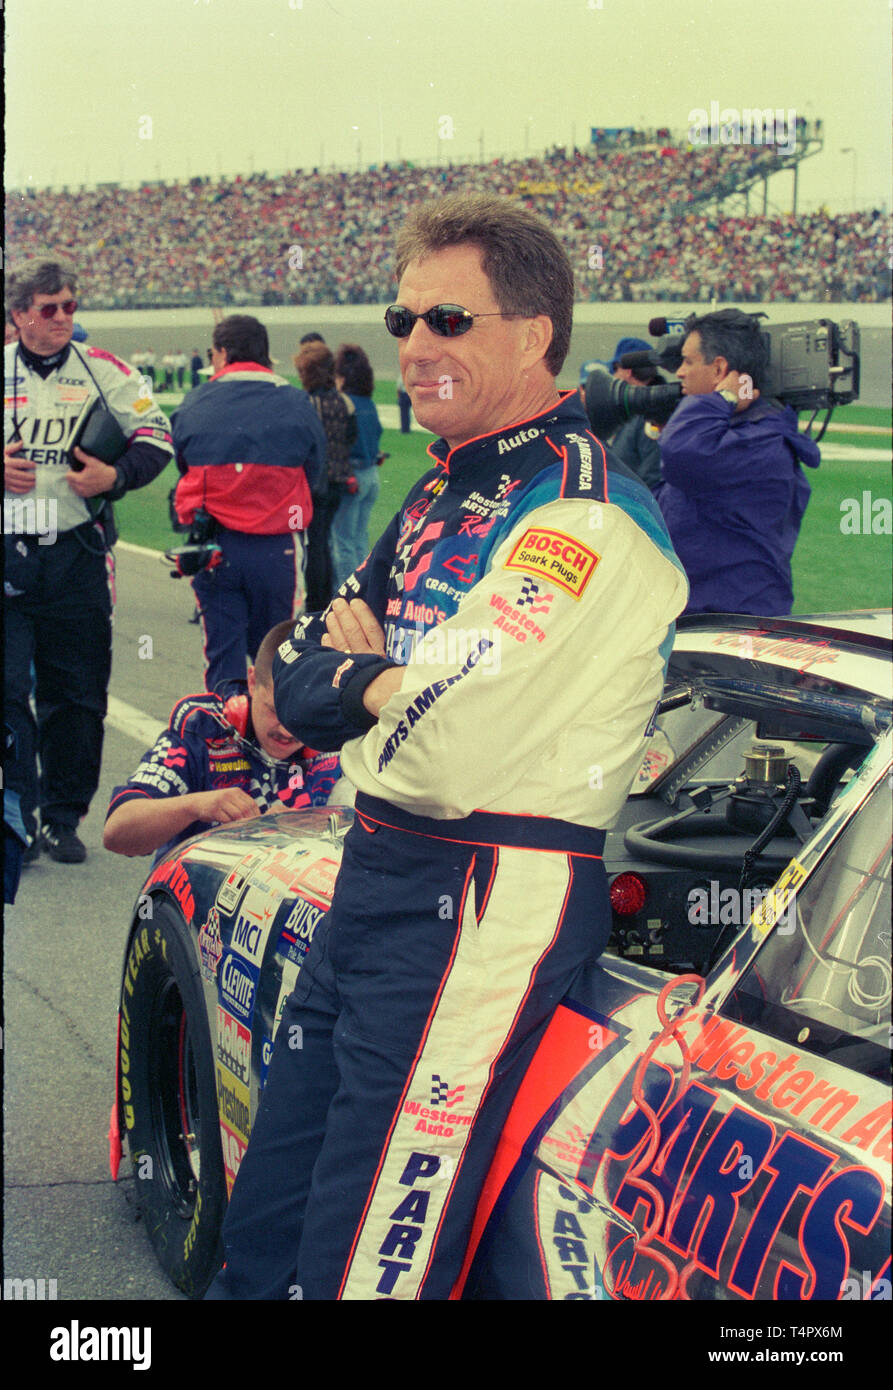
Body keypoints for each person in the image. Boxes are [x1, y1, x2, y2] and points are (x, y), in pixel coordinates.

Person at [206, 192, 688, 1301]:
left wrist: (365, 687)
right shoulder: (444, 484)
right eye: (403, 319)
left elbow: (447, 748)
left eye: (449, 322)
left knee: (368, 1252)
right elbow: (297, 680)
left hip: (482, 885)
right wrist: (371, 683)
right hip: (379, 868)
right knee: (270, 1209)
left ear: (534, 334)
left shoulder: (580, 516)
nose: (415, 347)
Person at [4, 254, 173, 863]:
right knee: (6, 690)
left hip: (75, 552)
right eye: (49, 309)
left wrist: (115, 475)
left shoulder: (108, 369)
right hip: (8, 550)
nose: (61, 319)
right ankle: (14, 815)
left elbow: (158, 436)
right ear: (20, 314)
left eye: (71, 307)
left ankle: (62, 815)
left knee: (76, 692)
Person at [171, 314, 326, 691]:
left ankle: (224, 741)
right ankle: (272, 744)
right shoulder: (295, 400)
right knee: (274, 655)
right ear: (264, 353)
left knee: (223, 659)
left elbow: (182, 461)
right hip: (277, 547)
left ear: (221, 353)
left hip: (215, 544)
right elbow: (316, 471)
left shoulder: (195, 400)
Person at [104, 621, 347, 861]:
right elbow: (117, 831)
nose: (287, 730)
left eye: (303, 718)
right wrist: (197, 806)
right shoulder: (204, 727)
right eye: (275, 711)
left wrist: (322, 826)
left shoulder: (341, 739)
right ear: (252, 682)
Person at [655, 307, 821, 614]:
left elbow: (681, 454)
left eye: (689, 361)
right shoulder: (733, 435)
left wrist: (723, 399)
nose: (679, 372)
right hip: (708, 614)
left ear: (719, 371)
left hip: (734, 623)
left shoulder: (761, 443)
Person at [293, 341, 357, 613]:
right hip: (339, 480)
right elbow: (350, 438)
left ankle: (316, 602)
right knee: (324, 540)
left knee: (313, 543)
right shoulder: (344, 401)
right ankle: (325, 597)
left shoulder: (307, 404)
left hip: (314, 484)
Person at [329, 343, 383, 587]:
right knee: (360, 538)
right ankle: (363, 589)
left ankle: (346, 594)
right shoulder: (368, 404)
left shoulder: (344, 404)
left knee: (343, 543)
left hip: (353, 476)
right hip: (372, 475)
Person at [598, 336, 663, 493]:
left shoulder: (649, 414)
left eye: (615, 369)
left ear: (626, 371)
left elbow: (652, 475)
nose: (612, 376)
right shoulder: (635, 411)